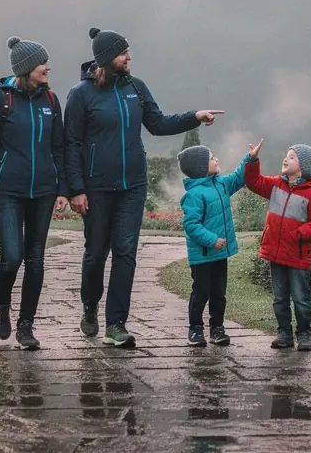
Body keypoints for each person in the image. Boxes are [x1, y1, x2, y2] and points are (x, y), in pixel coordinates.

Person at [64, 27, 224, 348]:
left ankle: (116, 324)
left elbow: (158, 123)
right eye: (123, 53)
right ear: (107, 57)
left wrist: (194, 116)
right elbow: (71, 144)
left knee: (125, 253)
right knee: (96, 254)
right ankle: (90, 304)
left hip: (133, 187)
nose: (129, 57)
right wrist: (76, 189)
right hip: (96, 188)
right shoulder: (81, 95)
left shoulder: (136, 88)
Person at [0, 37, 68, 350]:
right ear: (27, 68)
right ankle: (2, 304)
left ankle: (26, 325)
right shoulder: (0, 101)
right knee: (12, 256)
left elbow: (58, 147)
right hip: (8, 193)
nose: (48, 68)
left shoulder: (51, 100)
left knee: (35, 259)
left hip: (43, 192)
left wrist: (63, 189)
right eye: (43, 63)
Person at [245, 143, 311, 351]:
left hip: (298, 256)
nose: (285, 159)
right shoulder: (276, 185)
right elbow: (254, 182)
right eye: (286, 155)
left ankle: (304, 334)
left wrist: (302, 233)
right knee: (279, 298)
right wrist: (252, 160)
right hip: (276, 254)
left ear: (304, 167)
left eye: (292, 157)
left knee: (300, 298)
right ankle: (284, 334)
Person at [179, 139, 262, 347]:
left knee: (219, 293)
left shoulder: (221, 184)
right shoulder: (194, 195)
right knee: (201, 293)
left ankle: (217, 328)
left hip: (220, 254)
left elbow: (239, 177)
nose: (216, 159)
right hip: (203, 255)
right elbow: (191, 225)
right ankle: (195, 329)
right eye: (211, 158)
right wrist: (212, 240)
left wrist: (250, 158)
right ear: (200, 168)